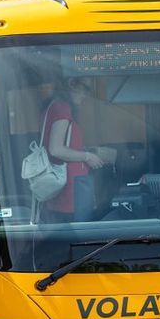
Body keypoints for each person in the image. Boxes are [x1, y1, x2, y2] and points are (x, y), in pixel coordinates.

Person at [42, 77, 111, 222]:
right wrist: (87, 156)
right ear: (72, 84)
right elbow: (55, 149)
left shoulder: (56, 107)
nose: (86, 95)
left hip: (71, 187)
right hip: (71, 190)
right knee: (80, 233)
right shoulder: (62, 108)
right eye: (85, 89)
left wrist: (85, 151)